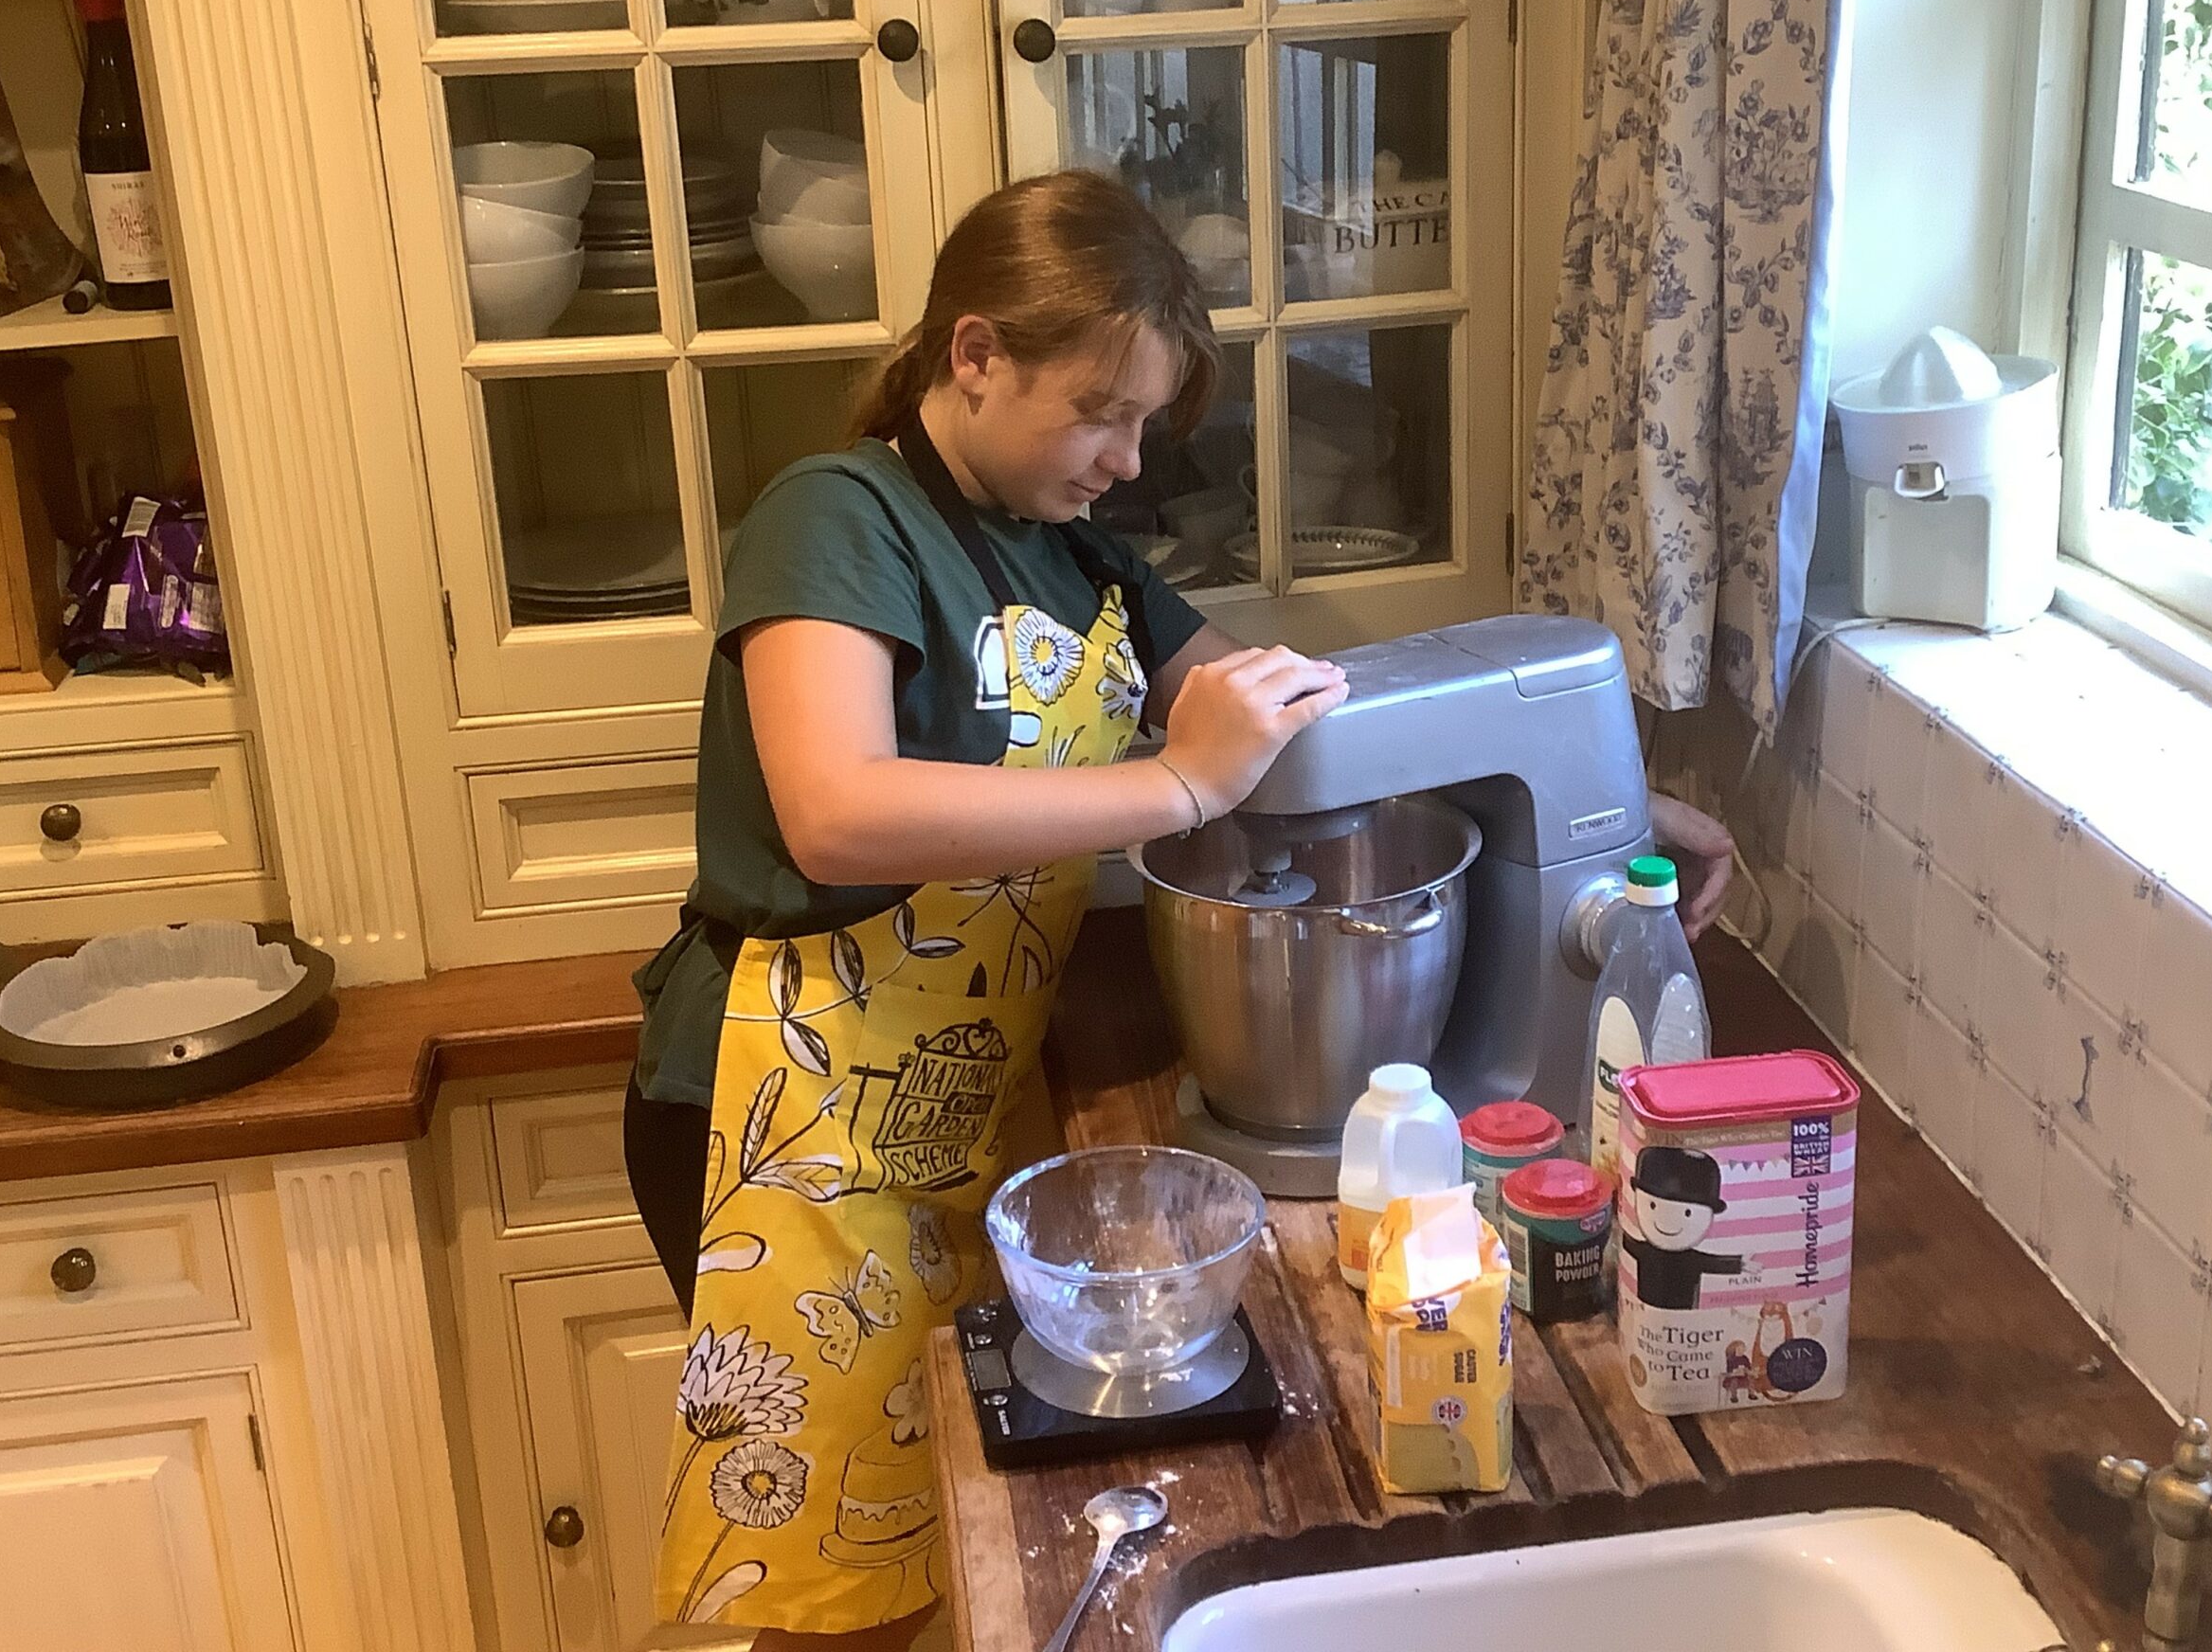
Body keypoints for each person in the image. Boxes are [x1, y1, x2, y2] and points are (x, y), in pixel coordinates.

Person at [623, 169, 1735, 1650]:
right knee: (841, 1609)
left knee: (932, 1557)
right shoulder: (836, 517)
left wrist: (1612, 799)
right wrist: (1176, 788)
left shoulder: (1077, 556)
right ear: (975, 353)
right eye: (1101, 411)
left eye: (1145, 423)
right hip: (779, 1130)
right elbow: (839, 808)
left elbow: (1314, 723)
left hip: (940, 1119)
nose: (1127, 457)